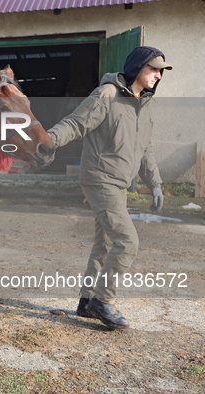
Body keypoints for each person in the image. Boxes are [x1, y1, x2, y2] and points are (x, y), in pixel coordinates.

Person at [47, 46, 172, 330]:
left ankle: (87, 302)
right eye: (153, 68)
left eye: (161, 71)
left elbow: (146, 149)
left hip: (118, 185)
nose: (158, 75)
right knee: (127, 241)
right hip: (99, 179)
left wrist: (155, 184)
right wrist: (50, 139)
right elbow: (76, 124)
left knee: (104, 244)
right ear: (137, 68)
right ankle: (103, 302)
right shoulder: (107, 95)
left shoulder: (144, 104)